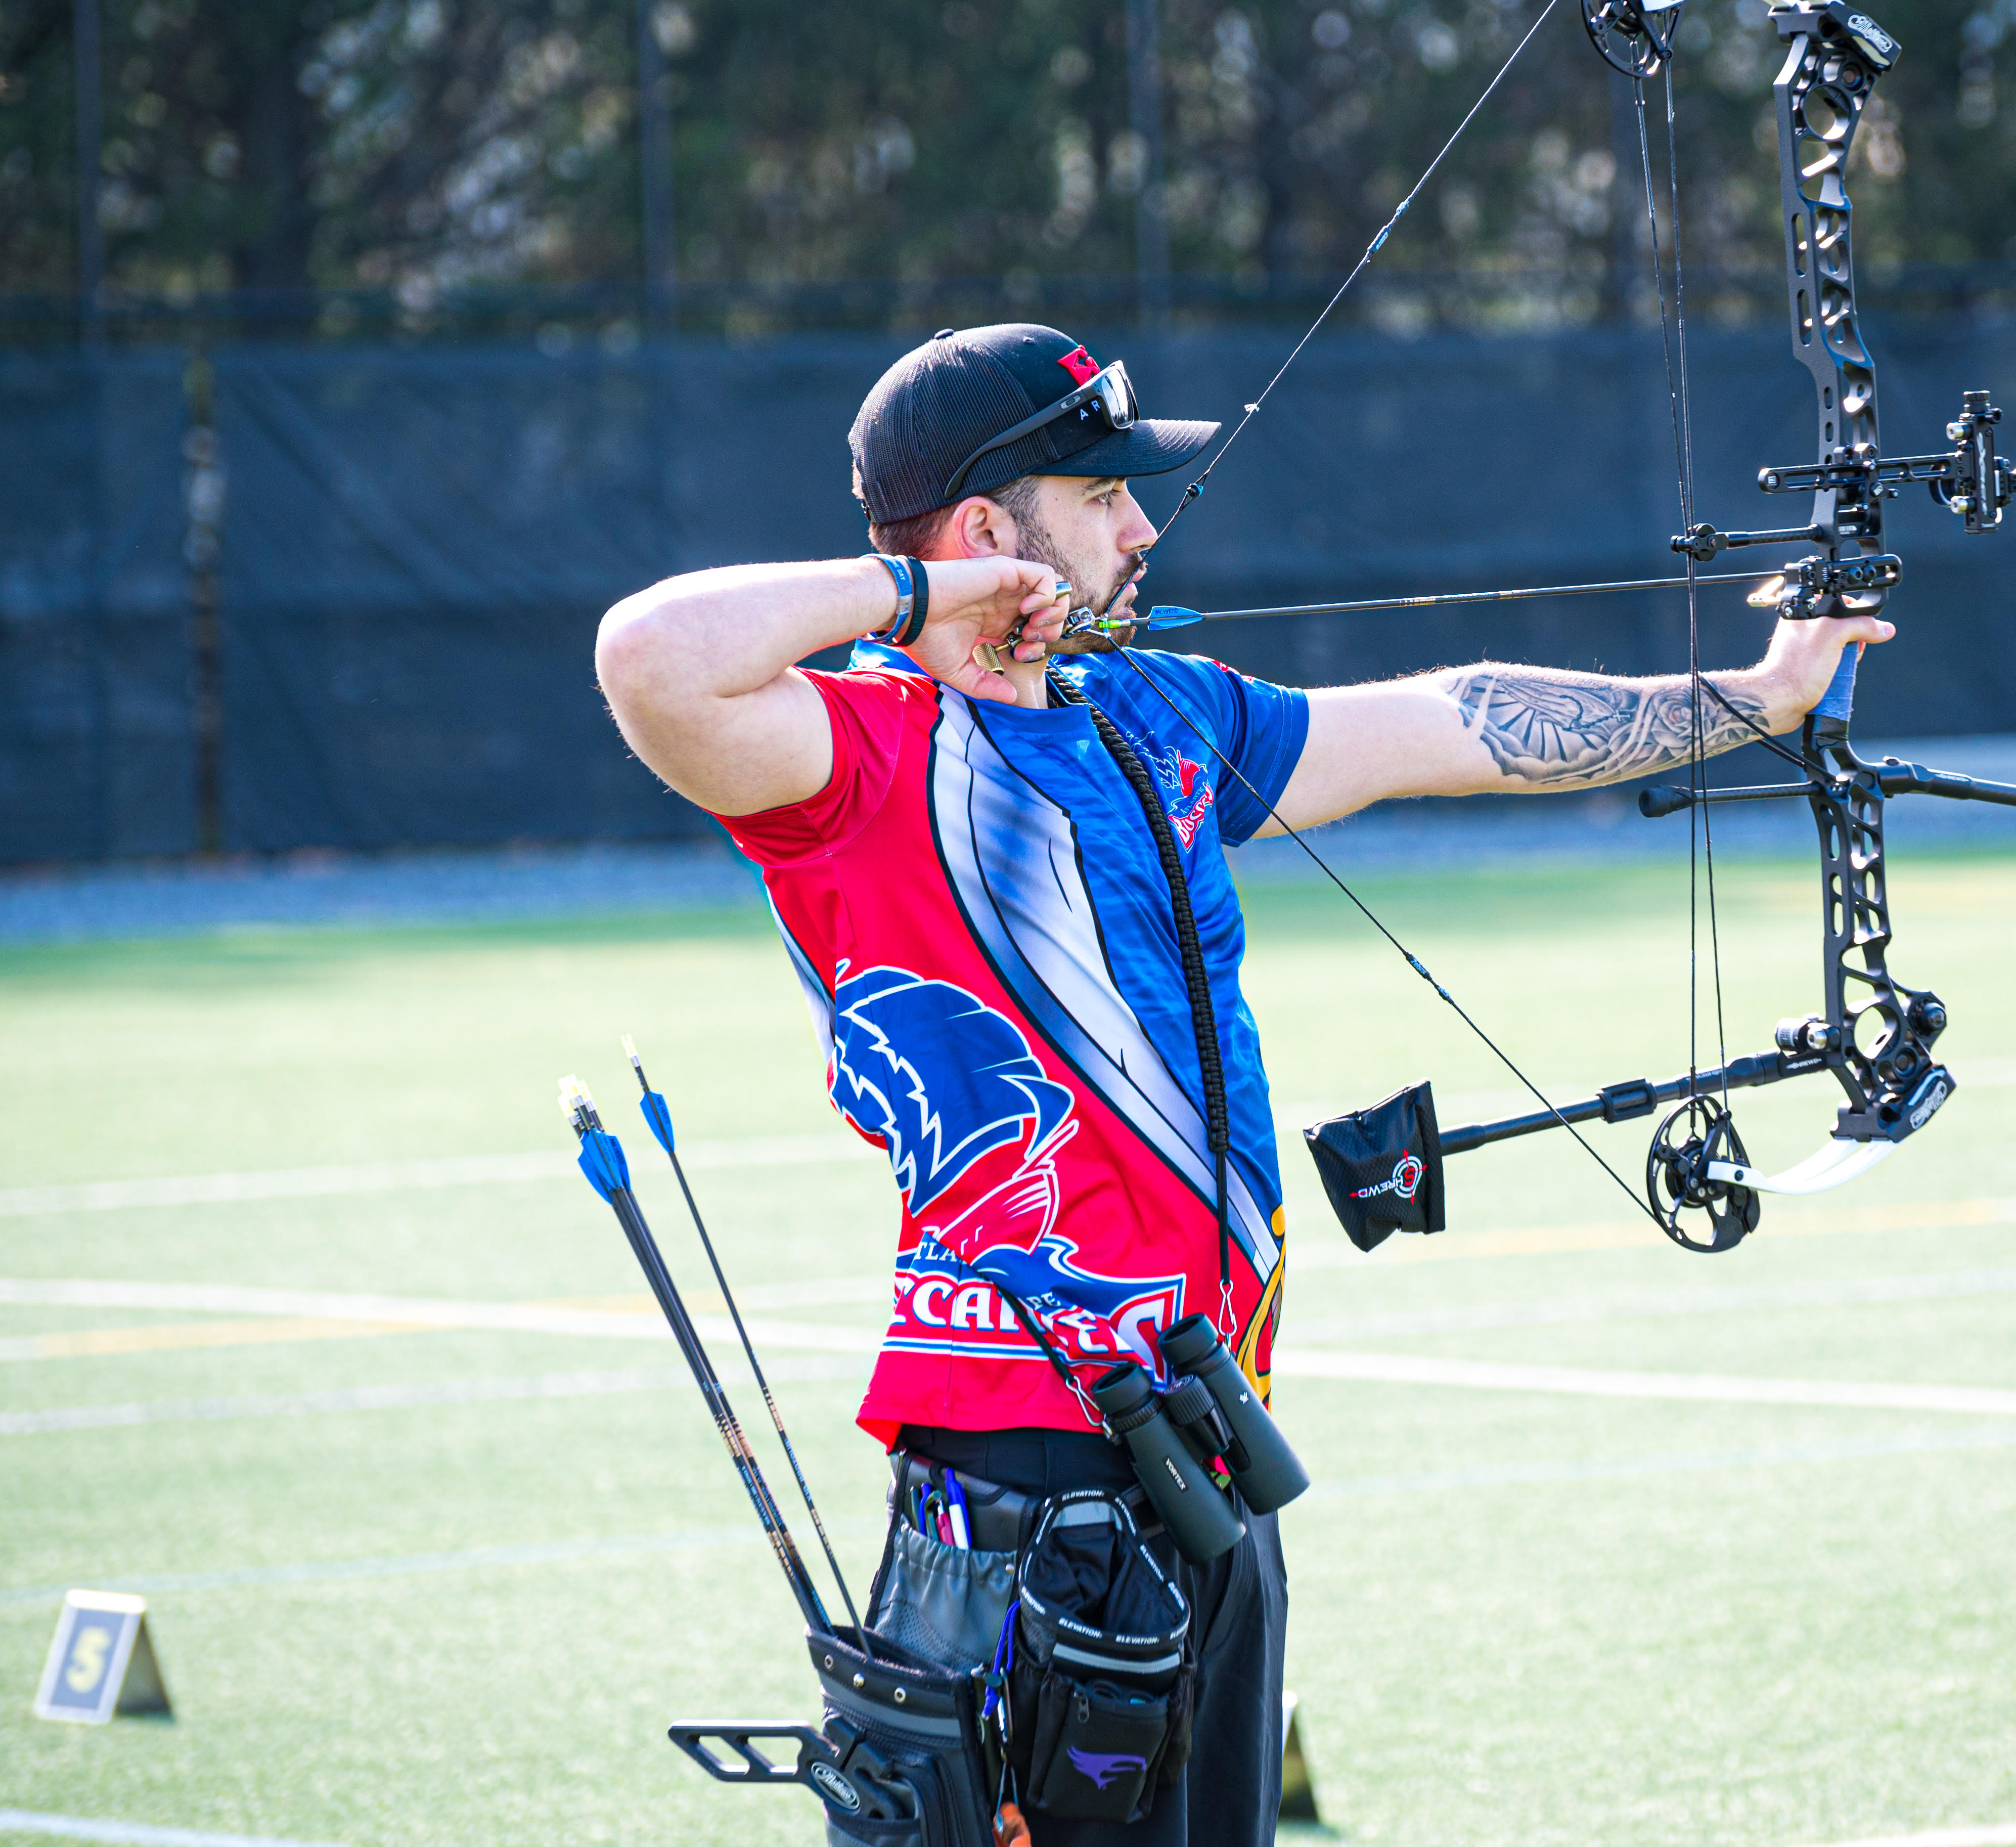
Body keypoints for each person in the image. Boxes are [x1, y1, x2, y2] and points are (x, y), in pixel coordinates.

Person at [591, 324, 1886, 1845]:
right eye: (1100, 497)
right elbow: (648, 657)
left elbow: (1445, 721)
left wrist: (1758, 695)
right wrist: (936, 600)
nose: (1142, 528)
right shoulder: (864, 758)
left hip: (1208, 1432)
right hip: (1022, 1459)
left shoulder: (1162, 718)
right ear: (990, 531)